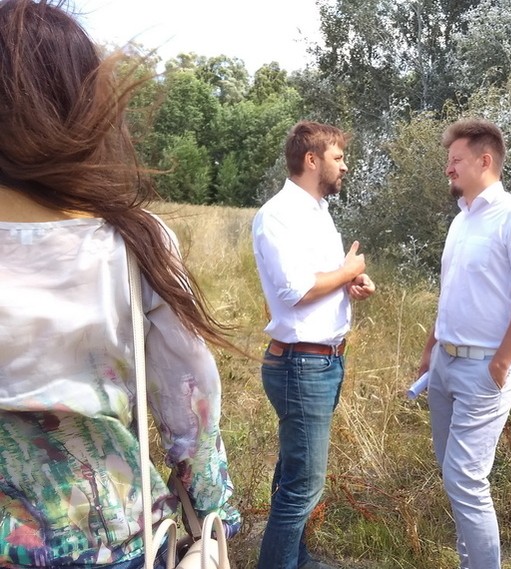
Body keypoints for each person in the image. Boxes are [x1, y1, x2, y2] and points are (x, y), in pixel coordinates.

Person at [0, 1, 240, 567]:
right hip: (114, 539)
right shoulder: (134, 243)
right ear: (82, 105)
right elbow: (191, 406)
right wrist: (212, 511)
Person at [417, 118, 511, 569]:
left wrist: (502, 362)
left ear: (485, 160)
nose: (448, 168)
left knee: (466, 478)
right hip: (445, 362)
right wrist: (430, 350)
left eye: (455, 160)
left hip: (485, 368)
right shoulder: (462, 220)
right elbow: (451, 293)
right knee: (453, 474)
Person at [252, 120, 376, 569]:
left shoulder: (317, 210)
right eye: (338, 157)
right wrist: (346, 271)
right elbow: (294, 290)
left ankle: (296, 558)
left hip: (320, 363)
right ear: (311, 160)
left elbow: (319, 279)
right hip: (300, 365)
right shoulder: (280, 214)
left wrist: (351, 282)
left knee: (294, 473)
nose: (345, 166)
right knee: (304, 484)